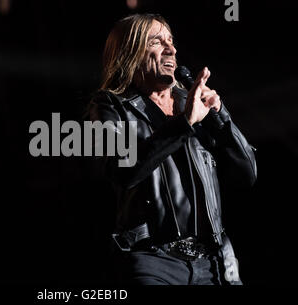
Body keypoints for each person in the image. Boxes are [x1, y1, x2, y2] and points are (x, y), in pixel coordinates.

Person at [88, 13, 257, 285]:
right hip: (154, 262)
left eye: (171, 41)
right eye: (157, 41)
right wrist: (185, 122)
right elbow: (122, 170)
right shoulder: (110, 107)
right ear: (130, 52)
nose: (172, 49)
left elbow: (247, 173)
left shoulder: (194, 104)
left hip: (216, 263)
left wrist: (221, 115)